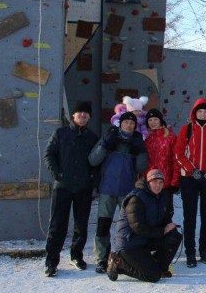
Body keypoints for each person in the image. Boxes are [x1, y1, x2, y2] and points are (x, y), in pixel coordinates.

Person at [43, 102, 99, 277]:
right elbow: (49, 154)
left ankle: (76, 255)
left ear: (89, 117)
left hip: (83, 188)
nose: (82, 115)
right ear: (73, 115)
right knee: (57, 225)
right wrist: (57, 174)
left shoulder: (92, 137)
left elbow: (97, 162)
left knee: (81, 225)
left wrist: (93, 180)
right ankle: (51, 261)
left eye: (86, 113)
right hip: (63, 187)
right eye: (79, 112)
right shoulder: (61, 133)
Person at [89, 111, 149, 273]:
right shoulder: (109, 137)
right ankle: (102, 258)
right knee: (103, 225)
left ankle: (126, 255)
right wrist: (105, 144)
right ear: (120, 123)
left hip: (127, 191)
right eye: (126, 122)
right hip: (107, 189)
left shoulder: (136, 141)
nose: (129, 125)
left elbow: (141, 168)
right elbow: (93, 160)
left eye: (132, 123)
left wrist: (141, 150)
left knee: (128, 226)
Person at [106, 169, 182, 282]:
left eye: (161, 182)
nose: (158, 185)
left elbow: (163, 219)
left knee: (174, 236)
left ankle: (159, 268)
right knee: (153, 276)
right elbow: (138, 228)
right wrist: (163, 231)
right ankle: (119, 263)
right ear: (148, 182)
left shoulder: (161, 196)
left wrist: (169, 226)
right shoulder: (136, 198)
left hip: (145, 239)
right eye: (155, 182)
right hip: (129, 243)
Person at [174, 98, 206, 268]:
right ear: (194, 112)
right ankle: (190, 252)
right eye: (200, 111)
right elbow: (178, 153)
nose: (203, 114)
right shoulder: (187, 129)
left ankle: (204, 250)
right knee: (190, 216)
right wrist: (192, 170)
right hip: (190, 178)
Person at [143, 108, 178, 224]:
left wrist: (175, 181)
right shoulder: (146, 139)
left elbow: (176, 160)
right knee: (150, 214)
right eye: (150, 120)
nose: (153, 122)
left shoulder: (171, 138)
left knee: (166, 214)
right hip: (149, 183)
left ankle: (167, 234)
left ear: (161, 121)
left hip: (165, 183)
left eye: (155, 119)